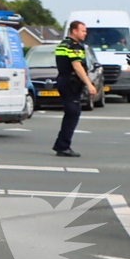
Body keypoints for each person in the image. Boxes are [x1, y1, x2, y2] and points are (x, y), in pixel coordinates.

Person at [52, 21, 97, 157]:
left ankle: (61, 144)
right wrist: (89, 84)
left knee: (70, 113)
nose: (85, 33)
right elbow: (77, 66)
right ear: (74, 31)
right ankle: (63, 146)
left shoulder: (63, 44)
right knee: (73, 114)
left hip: (63, 80)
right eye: (83, 31)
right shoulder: (74, 46)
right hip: (71, 83)